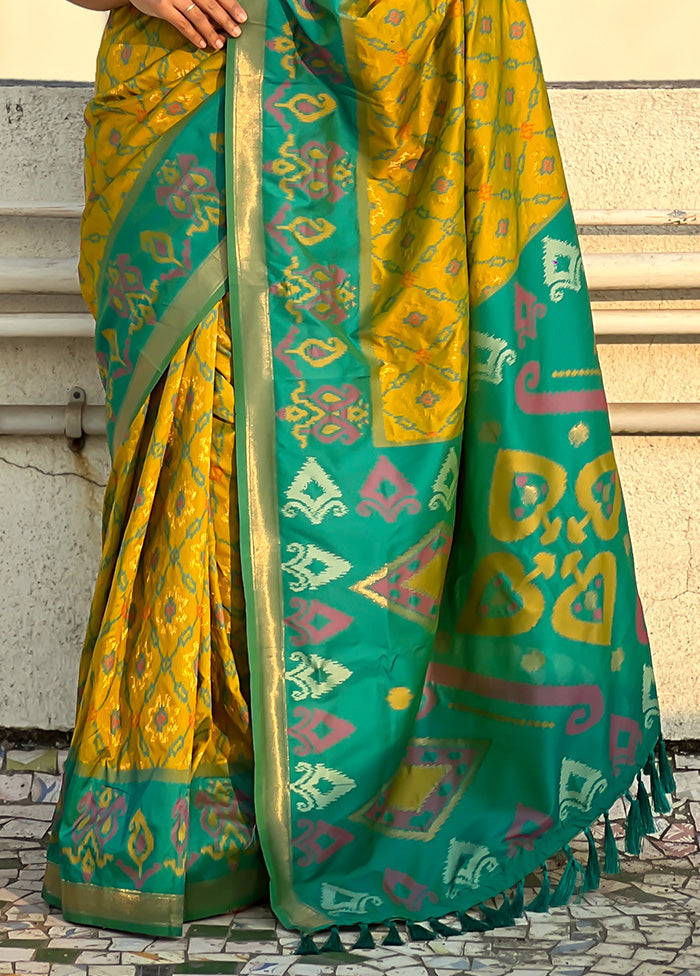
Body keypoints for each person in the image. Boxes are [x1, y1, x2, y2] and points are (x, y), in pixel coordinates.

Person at [45, 0, 674, 949]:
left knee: (351, 497)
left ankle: (359, 804)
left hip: (394, 106)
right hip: (181, 109)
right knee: (196, 456)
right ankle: (198, 821)